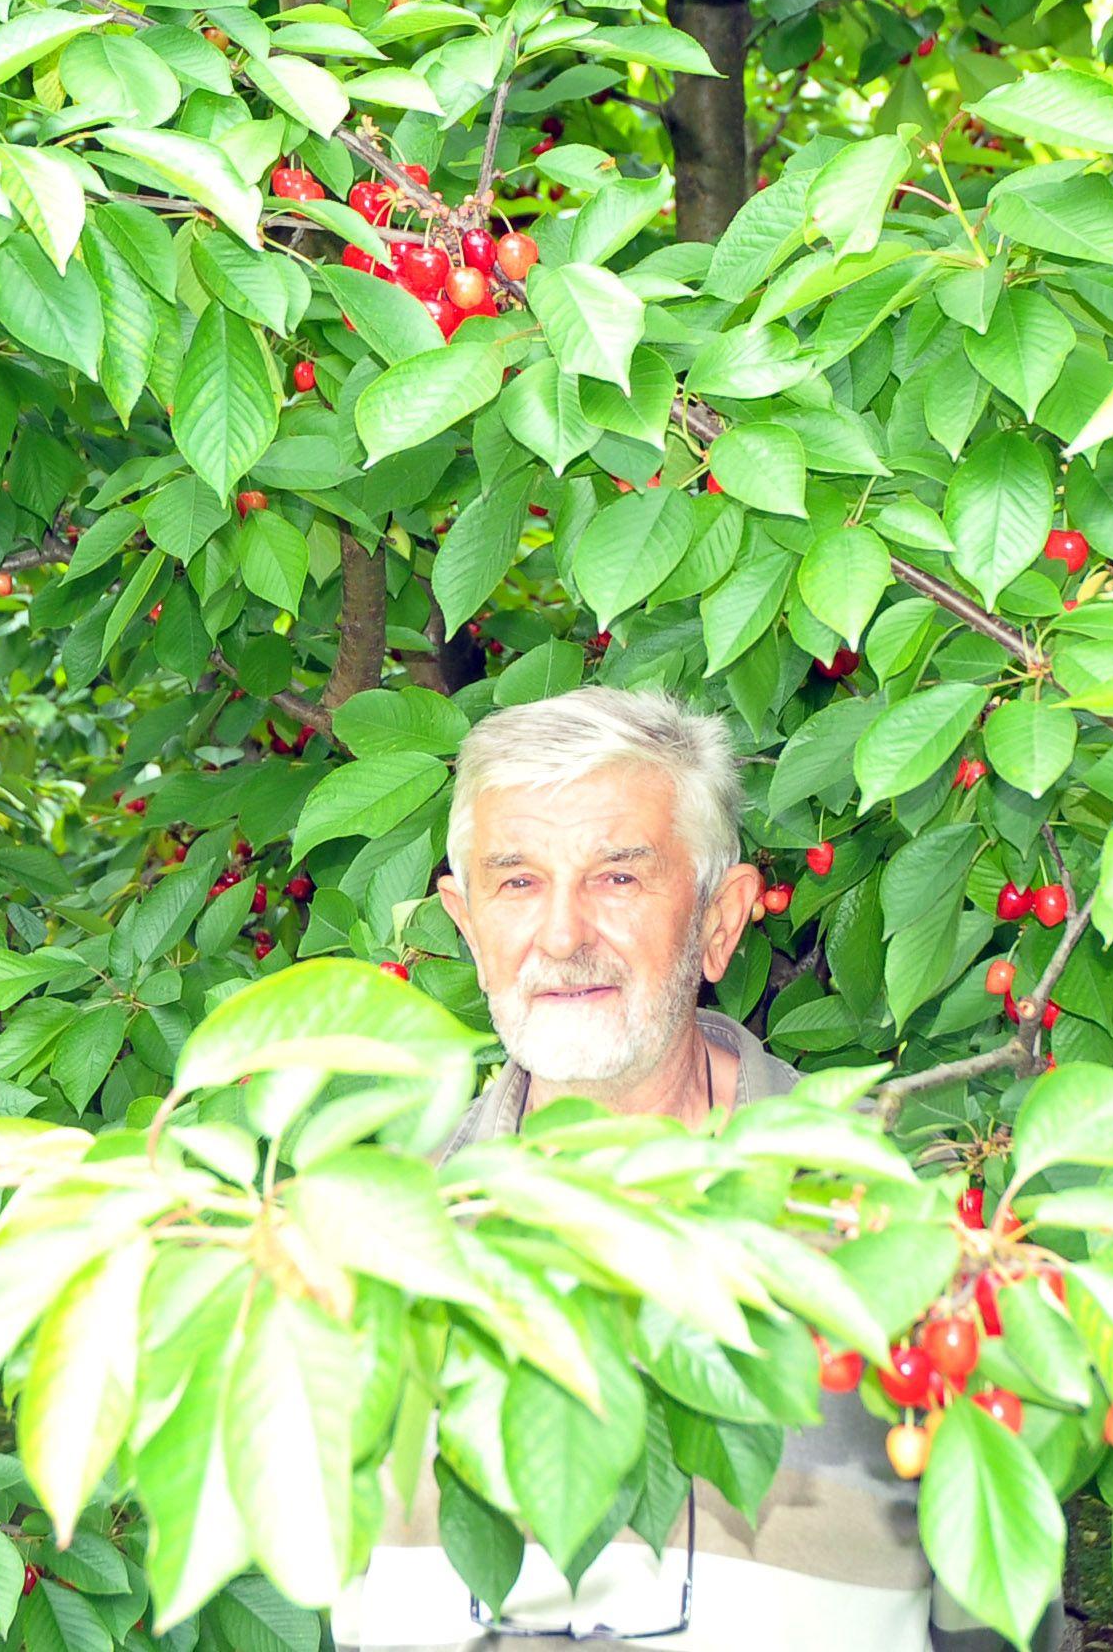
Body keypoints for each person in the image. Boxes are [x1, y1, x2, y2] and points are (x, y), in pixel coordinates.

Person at [332, 686, 1061, 1652]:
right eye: (517, 883)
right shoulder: (353, 1241)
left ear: (721, 921)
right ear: (464, 926)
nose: (561, 937)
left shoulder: (911, 1228)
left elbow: (1003, 1614)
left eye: (618, 879)